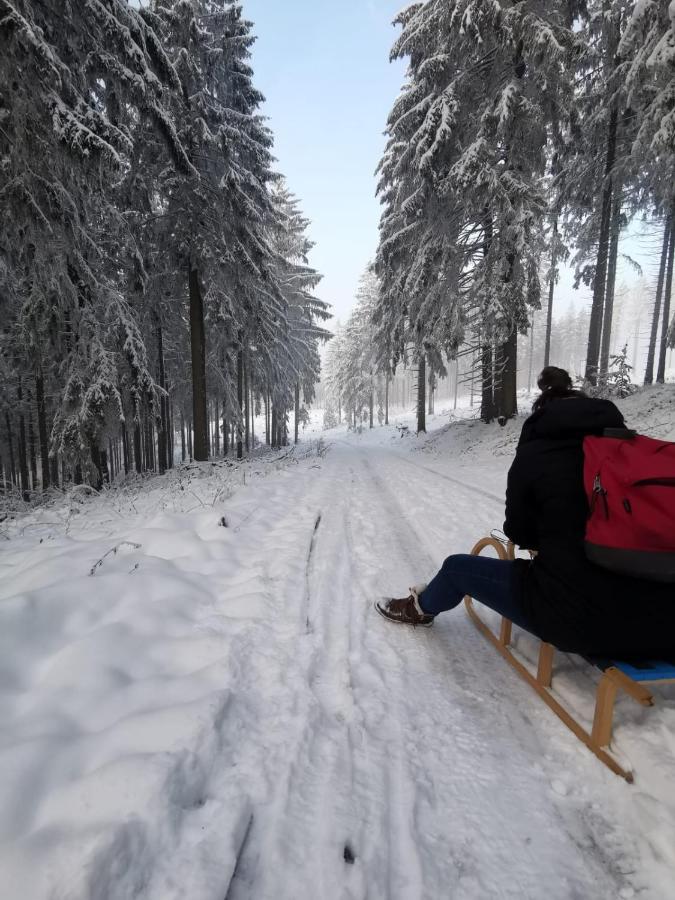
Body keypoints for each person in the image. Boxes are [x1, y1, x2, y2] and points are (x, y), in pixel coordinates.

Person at [376, 366, 675, 657]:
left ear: (543, 415)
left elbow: (519, 531)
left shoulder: (538, 454)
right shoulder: (641, 453)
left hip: (580, 621)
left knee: (456, 568)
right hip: (665, 626)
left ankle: (418, 609)